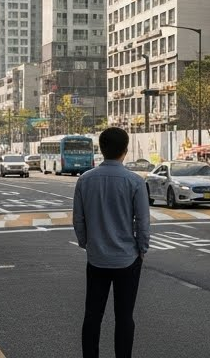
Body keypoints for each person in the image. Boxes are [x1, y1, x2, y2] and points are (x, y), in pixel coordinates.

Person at [73, 127, 150, 358]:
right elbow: (142, 222)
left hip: (96, 258)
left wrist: (86, 243)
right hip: (127, 259)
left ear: (101, 148)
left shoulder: (85, 180)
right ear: (125, 150)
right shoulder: (135, 181)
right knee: (124, 317)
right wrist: (142, 249)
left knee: (92, 315)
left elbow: (78, 219)